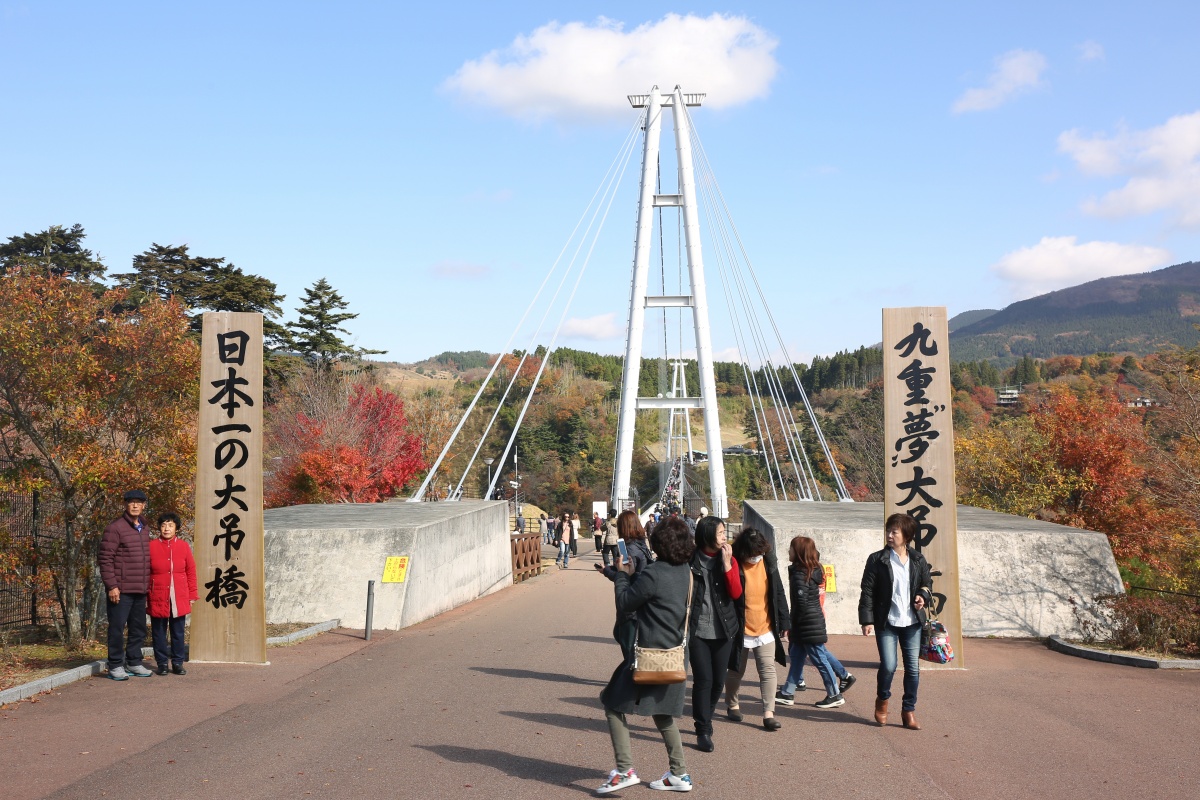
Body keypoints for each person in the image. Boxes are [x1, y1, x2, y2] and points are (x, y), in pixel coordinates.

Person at [597, 516, 696, 794]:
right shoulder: (686, 572)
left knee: (613, 703)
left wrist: (621, 577)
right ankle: (679, 773)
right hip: (675, 655)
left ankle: (625, 769)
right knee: (663, 714)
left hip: (648, 654)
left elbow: (626, 601)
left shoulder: (654, 573)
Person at [859, 513, 934, 730]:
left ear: (907, 536)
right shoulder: (877, 559)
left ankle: (908, 711)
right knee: (889, 665)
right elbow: (867, 591)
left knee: (912, 668)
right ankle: (882, 702)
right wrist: (867, 620)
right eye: (888, 531)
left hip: (912, 622)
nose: (890, 535)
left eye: (895, 532)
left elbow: (927, 584)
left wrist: (922, 596)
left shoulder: (918, 560)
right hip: (887, 622)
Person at [723, 528, 788, 731]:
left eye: (759, 553)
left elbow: (778, 591)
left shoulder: (768, 561)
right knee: (735, 670)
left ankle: (769, 713)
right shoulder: (734, 562)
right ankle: (732, 704)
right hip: (740, 627)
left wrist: (785, 622)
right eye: (752, 554)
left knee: (767, 670)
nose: (756, 557)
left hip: (765, 625)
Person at [688, 515, 742, 752]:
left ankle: (706, 718)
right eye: (720, 533)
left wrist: (728, 565)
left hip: (724, 629)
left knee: (718, 681)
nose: (724, 537)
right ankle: (702, 729)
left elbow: (736, 593)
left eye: (724, 533)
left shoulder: (728, 559)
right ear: (708, 535)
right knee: (703, 681)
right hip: (697, 630)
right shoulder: (689, 560)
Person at [788, 536, 854, 709]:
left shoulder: (801, 574)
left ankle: (834, 693)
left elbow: (800, 604)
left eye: (791, 549)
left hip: (808, 622)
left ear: (799, 553)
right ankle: (788, 691)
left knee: (818, 656)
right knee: (797, 653)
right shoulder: (813, 570)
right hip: (814, 619)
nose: (789, 552)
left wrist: (790, 624)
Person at [98, 489, 154, 681]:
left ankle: (134, 662)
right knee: (117, 627)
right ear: (126, 504)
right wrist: (112, 585)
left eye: (139, 502)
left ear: (144, 505)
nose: (136, 505)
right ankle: (115, 665)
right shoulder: (116, 528)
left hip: (140, 588)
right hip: (120, 590)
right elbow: (105, 558)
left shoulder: (145, 528)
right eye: (132, 502)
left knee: (138, 628)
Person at [595, 510, 653, 664]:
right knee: (622, 635)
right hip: (641, 599)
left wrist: (607, 571)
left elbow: (624, 576)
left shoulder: (627, 548)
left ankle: (630, 684)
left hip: (630, 602)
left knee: (629, 650)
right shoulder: (641, 545)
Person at [148, 512, 199, 676]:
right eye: (163, 525)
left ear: (176, 528)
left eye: (170, 525)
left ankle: (178, 662)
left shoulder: (183, 546)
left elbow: (191, 571)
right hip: (157, 595)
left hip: (179, 595)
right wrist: (145, 595)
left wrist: (192, 594)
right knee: (159, 632)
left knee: (178, 632)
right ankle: (162, 663)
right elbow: (145, 572)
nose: (166, 528)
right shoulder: (151, 546)